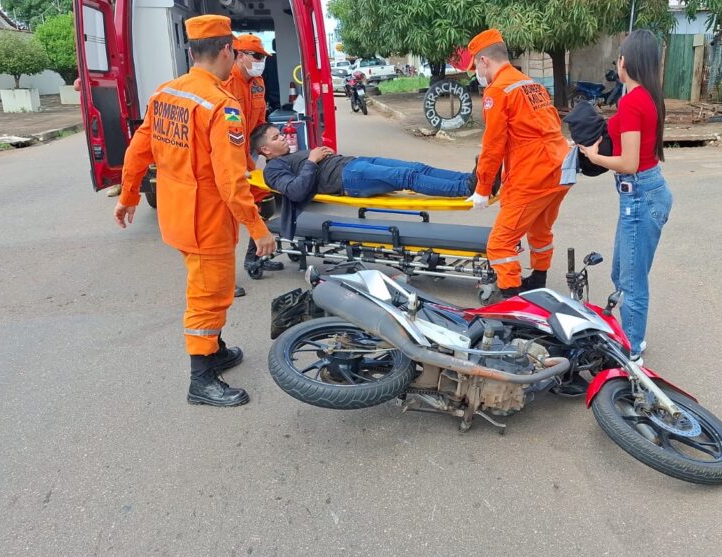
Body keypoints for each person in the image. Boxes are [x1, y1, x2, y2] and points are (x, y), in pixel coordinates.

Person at [114, 15, 275, 407]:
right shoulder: (221, 106)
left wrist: (129, 195)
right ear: (226, 51)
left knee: (205, 288)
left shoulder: (168, 92)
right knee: (209, 297)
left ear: (192, 51)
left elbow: (138, 149)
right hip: (207, 221)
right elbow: (230, 180)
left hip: (177, 214)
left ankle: (214, 351)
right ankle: (201, 380)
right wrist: (258, 228)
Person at [579, 30, 672, 363]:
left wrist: (595, 157)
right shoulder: (645, 96)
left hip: (639, 195)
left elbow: (629, 163)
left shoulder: (633, 101)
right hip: (643, 193)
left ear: (625, 62)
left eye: (619, 57)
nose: (617, 63)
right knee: (622, 272)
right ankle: (632, 338)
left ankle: (631, 354)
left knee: (631, 282)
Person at [464, 29, 573, 298]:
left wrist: (482, 188)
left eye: (476, 66)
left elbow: (493, 146)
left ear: (484, 61)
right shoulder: (530, 84)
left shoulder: (498, 91)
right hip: (560, 168)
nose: (477, 74)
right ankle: (538, 280)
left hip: (533, 175)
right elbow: (550, 124)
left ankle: (512, 301)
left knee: (500, 243)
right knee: (540, 229)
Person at [251, 123, 481, 239]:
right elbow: (295, 191)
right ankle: (465, 187)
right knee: (406, 177)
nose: (283, 138)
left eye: (280, 134)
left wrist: (321, 156)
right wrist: (312, 159)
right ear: (265, 150)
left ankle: (471, 178)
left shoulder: (287, 157)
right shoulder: (273, 170)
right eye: (276, 137)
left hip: (353, 163)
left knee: (416, 167)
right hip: (348, 179)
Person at [224, 34, 284, 274]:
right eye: (257, 56)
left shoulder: (258, 82)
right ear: (240, 56)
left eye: (263, 57)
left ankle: (255, 258)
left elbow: (259, 122)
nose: (261, 61)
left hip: (247, 150)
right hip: (226, 154)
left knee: (264, 202)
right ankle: (222, 276)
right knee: (224, 216)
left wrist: (269, 147)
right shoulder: (226, 83)